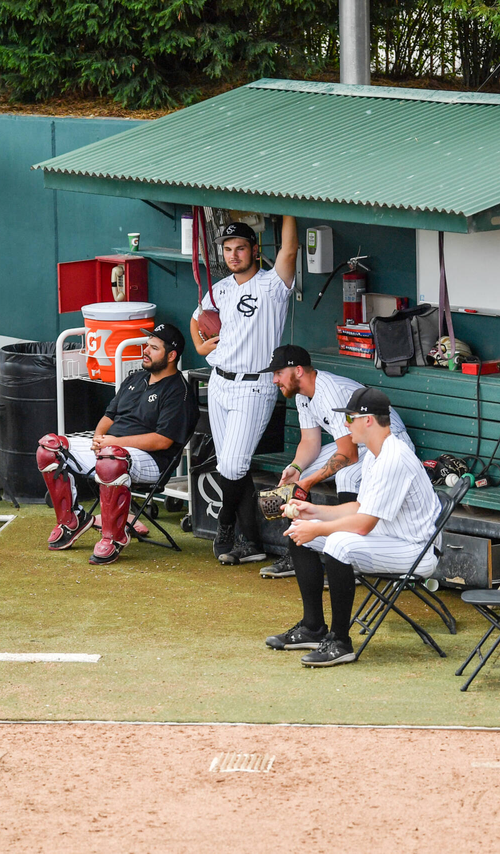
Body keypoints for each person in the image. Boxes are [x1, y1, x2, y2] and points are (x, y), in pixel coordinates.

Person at [270, 387, 442, 668]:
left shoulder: (393, 458)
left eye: (350, 418)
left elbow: (362, 525)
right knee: (302, 527)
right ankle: (313, 628)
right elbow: (360, 508)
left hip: (416, 549)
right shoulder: (376, 453)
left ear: (368, 420)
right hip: (391, 535)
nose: (345, 424)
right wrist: (314, 512)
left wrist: (320, 529)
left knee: (338, 543)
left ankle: (340, 642)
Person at [37, 323, 197, 565]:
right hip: (112, 450)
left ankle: (114, 537)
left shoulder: (179, 391)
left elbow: (162, 441)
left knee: (111, 459)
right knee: (50, 448)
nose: (146, 350)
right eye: (147, 345)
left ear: (171, 355)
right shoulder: (136, 378)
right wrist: (98, 439)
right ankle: (72, 520)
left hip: (150, 460)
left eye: (153, 348)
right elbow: (108, 417)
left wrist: (113, 443)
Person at [189, 217, 299, 566]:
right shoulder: (220, 288)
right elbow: (197, 320)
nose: (234, 254)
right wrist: (201, 348)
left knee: (233, 465)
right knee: (230, 466)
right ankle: (251, 542)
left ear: (254, 250)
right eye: (228, 249)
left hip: (254, 385)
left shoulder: (271, 285)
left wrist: (287, 210)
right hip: (219, 382)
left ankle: (224, 526)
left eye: (240, 248)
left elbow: (290, 249)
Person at [262, 344, 415, 578]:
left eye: (278, 373)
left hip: (387, 440)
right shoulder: (302, 394)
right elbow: (309, 442)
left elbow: (348, 455)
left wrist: (309, 481)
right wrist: (296, 469)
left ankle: (351, 560)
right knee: (298, 477)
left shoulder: (329, 391)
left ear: (298, 371)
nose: (274, 380)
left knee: (346, 475)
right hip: (358, 439)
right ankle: (299, 551)